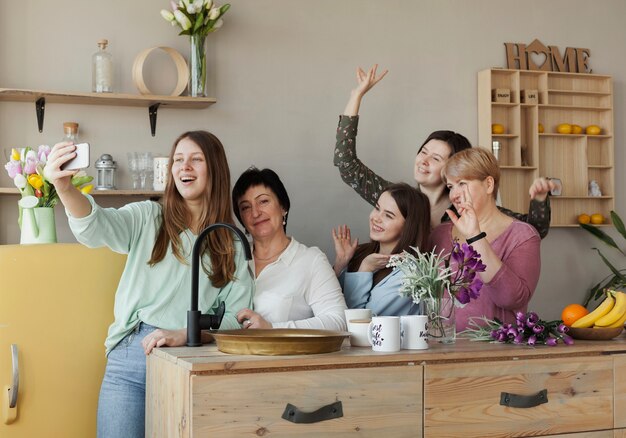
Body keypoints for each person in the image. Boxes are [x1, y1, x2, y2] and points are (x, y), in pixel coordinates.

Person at [44, 131, 254, 438]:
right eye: (178, 160)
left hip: (192, 360)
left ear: (216, 169)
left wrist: (186, 334)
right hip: (132, 356)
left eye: (196, 159)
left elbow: (238, 317)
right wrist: (63, 188)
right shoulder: (148, 216)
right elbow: (96, 226)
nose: (185, 167)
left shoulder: (230, 242)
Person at [334, 64, 555, 237]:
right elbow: (346, 164)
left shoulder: (468, 211)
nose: (423, 160)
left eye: (436, 158)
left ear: (453, 169)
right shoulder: (399, 200)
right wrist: (357, 96)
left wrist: (540, 198)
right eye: (423, 152)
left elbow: (534, 230)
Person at [429, 148, 541, 330]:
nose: (454, 195)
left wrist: (475, 236)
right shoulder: (439, 234)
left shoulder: (523, 236)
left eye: (462, 183)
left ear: (488, 184)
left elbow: (511, 299)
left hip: (494, 351)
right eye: (450, 186)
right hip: (441, 348)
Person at [232, 167, 347, 331]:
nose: (255, 213)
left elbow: (339, 321)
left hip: (281, 356)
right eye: (245, 207)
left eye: (263, 201)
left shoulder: (311, 260)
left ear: (283, 206)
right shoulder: (231, 259)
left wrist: (273, 329)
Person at [333, 183, 431, 315]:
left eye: (388, 215)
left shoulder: (410, 274)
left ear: (409, 227)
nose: (376, 218)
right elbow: (326, 308)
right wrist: (341, 264)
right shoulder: (359, 253)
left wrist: (365, 269)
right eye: (377, 208)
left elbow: (360, 323)